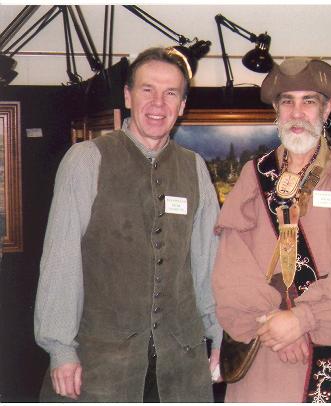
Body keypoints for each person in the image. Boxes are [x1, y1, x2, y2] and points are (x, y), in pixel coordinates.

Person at [34, 47, 222, 402]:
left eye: (171, 93)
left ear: (182, 105)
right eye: (147, 89)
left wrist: (219, 332)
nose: (158, 103)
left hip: (179, 366)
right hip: (102, 364)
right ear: (128, 96)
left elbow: (207, 263)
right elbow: (61, 260)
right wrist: (61, 349)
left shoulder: (194, 167)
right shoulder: (87, 160)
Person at [212, 58, 331, 402]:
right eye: (287, 102)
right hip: (263, 350)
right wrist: (275, 325)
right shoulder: (253, 176)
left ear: (327, 109)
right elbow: (230, 266)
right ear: (276, 110)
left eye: (308, 101)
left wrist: (304, 319)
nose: (297, 112)